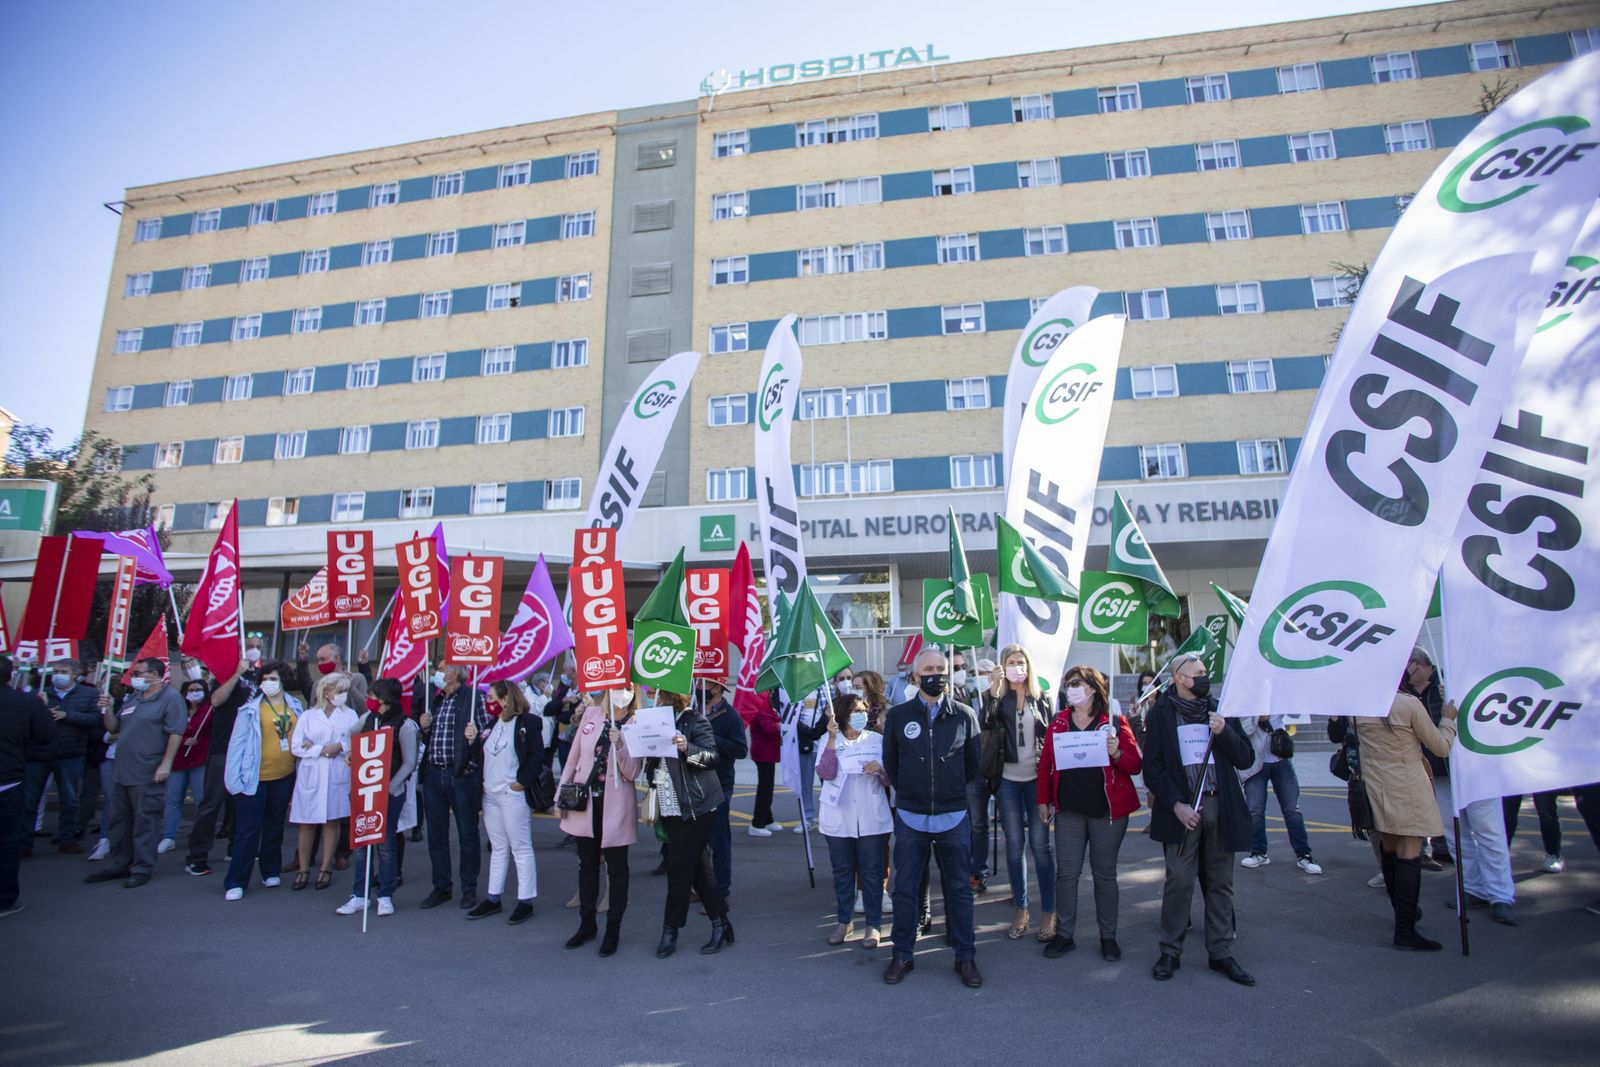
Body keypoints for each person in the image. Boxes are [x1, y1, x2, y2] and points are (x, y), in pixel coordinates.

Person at [1144, 651, 1256, 986]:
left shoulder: (1220, 709)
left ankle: (1220, 952)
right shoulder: (1162, 712)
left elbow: (1245, 757)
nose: (1203, 678)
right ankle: (1170, 951)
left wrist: (1224, 732)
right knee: (1179, 881)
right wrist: (1176, 804)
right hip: (1182, 812)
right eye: (1196, 674)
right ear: (1178, 678)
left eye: (1205, 672)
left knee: (1220, 883)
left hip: (1219, 805)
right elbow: (1152, 769)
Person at [882, 647, 984, 989]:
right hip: (911, 816)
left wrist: (950, 791)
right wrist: (911, 792)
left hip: (953, 815)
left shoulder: (964, 715)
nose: (937, 674)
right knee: (906, 889)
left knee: (959, 890)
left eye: (941, 668)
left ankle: (965, 957)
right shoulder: (898, 716)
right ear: (915, 675)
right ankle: (902, 955)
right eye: (929, 669)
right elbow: (891, 765)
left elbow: (973, 764)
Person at [1357, 650, 1461, 948]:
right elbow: (1441, 747)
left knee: (1390, 851)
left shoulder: (1360, 708)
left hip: (1377, 787)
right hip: (1408, 786)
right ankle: (1404, 930)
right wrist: (1448, 720)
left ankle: (1402, 913)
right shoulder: (1408, 704)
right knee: (1409, 853)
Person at [1037, 665, 1142, 962]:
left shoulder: (1113, 722)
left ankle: (1108, 936)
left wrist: (1118, 751)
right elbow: (1045, 765)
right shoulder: (1058, 722)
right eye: (1068, 684)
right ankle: (1065, 935)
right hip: (1069, 811)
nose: (1070, 689)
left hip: (1106, 813)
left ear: (1093, 689)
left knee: (1105, 876)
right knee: (1066, 874)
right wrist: (1043, 800)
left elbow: (1135, 765)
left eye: (1076, 684)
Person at [85, 657, 187, 889]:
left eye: (139, 673)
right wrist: (108, 709)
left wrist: (166, 764)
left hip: (147, 770)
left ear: (154, 674)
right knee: (119, 819)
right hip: (123, 770)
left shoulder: (170, 699)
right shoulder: (133, 697)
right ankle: (120, 862)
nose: (134, 677)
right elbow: (114, 728)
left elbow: (176, 733)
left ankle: (142, 866)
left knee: (145, 820)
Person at [977, 644, 1057, 941]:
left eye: (1021, 661)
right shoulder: (993, 696)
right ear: (1003, 666)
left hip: (1037, 780)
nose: (1017, 667)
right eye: (1011, 662)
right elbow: (986, 725)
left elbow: (1051, 738)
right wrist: (995, 692)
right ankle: (1021, 910)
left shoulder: (1042, 697)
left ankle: (1049, 913)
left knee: (1041, 848)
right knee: (1014, 848)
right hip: (1008, 780)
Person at [649, 689, 734, 958]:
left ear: (670, 696)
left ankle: (670, 930)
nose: (652, 694)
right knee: (698, 869)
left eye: (657, 692)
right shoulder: (651, 720)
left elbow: (712, 758)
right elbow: (650, 763)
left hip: (696, 806)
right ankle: (721, 924)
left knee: (678, 869)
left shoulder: (694, 720)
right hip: (670, 806)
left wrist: (688, 748)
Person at [561, 688, 642, 956]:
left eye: (628, 688)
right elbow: (574, 757)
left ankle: (613, 930)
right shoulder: (592, 715)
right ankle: (587, 924)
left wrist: (619, 745)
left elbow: (632, 772)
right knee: (587, 865)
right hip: (585, 803)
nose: (623, 693)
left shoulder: (636, 721)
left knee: (617, 870)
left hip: (616, 806)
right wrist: (561, 794)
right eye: (619, 687)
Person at [463, 679, 546, 924]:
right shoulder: (492, 724)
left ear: (505, 698)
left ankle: (525, 900)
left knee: (520, 847)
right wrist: (472, 741)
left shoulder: (527, 723)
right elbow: (482, 757)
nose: (488, 703)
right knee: (498, 848)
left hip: (512, 794)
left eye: (491, 698)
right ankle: (493, 897)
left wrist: (521, 782)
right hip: (491, 795)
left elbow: (537, 755)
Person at [336, 677, 419, 918]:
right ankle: (359, 895)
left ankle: (385, 894)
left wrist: (390, 788)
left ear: (383, 699)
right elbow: (349, 734)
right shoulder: (369, 719)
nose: (368, 700)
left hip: (390, 794)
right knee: (361, 844)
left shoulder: (404, 724)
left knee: (386, 845)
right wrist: (351, 753)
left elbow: (410, 762)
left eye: (372, 697)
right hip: (364, 792)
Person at [221, 660, 302, 900]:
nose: (268, 683)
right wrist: (233, 779)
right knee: (248, 830)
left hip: (284, 776)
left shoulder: (295, 706)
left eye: (273, 679)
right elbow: (236, 745)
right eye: (265, 679)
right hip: (254, 778)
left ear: (283, 681)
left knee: (275, 825)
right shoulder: (250, 709)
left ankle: (270, 870)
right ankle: (236, 880)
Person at [817, 691, 891, 947]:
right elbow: (825, 773)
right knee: (843, 871)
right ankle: (844, 921)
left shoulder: (877, 740)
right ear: (842, 714)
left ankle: (873, 925)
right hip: (839, 817)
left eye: (862, 711)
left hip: (872, 816)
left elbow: (891, 778)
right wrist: (830, 738)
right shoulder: (828, 740)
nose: (859, 716)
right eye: (853, 712)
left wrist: (880, 770)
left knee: (872, 871)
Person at [184, 639, 264, 875]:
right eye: (250, 644)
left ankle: (236, 848)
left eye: (258, 645)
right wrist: (236, 674)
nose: (255, 648)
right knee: (211, 804)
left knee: (241, 804)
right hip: (223, 749)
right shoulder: (225, 674)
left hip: (248, 751)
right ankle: (196, 855)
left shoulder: (260, 677)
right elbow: (216, 701)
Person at [418, 664, 491, 910]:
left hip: (460, 774)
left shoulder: (473, 698)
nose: (437, 672)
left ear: (454, 673)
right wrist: (425, 728)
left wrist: (475, 741)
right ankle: (441, 886)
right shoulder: (437, 700)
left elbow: (486, 735)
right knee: (436, 835)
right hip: (433, 773)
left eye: (441, 668)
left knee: (467, 834)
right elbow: (432, 739)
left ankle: (468, 888)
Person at [287, 672, 358, 891]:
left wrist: (339, 747)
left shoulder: (350, 715)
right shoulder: (309, 715)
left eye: (345, 691)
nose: (343, 695)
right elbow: (297, 746)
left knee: (332, 821)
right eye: (340, 691)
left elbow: (354, 740)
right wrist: (322, 749)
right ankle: (304, 868)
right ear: (327, 692)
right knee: (307, 822)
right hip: (312, 774)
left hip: (337, 772)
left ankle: (326, 867)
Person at [23, 657, 100, 857]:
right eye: (55, 671)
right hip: (38, 754)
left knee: (70, 799)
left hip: (70, 755)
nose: (57, 675)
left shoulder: (89, 694)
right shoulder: (39, 694)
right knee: (29, 800)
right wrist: (40, 708)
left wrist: (67, 715)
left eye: (62, 671)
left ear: (75, 674)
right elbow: (25, 721)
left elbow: (93, 719)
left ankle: (67, 838)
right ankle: (24, 842)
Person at [1, 657, 54, 917]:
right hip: (9, 782)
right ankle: (5, 899)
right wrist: (41, 709)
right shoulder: (27, 702)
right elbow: (45, 736)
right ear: (11, 676)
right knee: (7, 842)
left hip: (9, 780)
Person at [1239, 715, 1322, 874]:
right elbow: (1244, 730)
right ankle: (1258, 852)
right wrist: (1259, 718)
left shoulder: (1277, 693)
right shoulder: (1248, 698)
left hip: (1281, 760)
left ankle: (1304, 854)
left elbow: (1296, 713)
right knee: (1255, 810)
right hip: (1256, 762)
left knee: (1292, 809)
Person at [701, 679, 747, 901]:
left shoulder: (730, 716)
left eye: (703, 685)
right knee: (697, 842)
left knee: (719, 840)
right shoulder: (694, 710)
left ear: (717, 688)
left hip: (719, 784)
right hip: (695, 783)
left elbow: (740, 750)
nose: (697, 689)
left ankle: (721, 891)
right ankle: (700, 888)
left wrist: (712, 737)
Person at [160, 677, 213, 854]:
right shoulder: (178, 711)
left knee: (200, 801)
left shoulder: (209, 711)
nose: (194, 693)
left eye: (198, 690)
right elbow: (167, 732)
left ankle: (198, 835)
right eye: (191, 690)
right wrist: (183, 741)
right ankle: (168, 836)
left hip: (200, 761)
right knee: (173, 801)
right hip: (178, 761)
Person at [743, 690, 784, 835]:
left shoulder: (768, 705)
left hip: (768, 752)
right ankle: (757, 823)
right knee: (765, 789)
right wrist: (781, 724)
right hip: (763, 752)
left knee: (766, 787)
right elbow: (768, 728)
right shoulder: (761, 705)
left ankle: (767, 819)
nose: (773, 693)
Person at [793, 688, 829, 833]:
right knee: (805, 785)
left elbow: (830, 712)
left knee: (827, 785)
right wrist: (808, 732)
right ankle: (807, 818)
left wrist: (818, 731)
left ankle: (827, 818)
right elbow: (792, 717)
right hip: (804, 743)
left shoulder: (826, 689)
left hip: (825, 744)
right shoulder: (796, 690)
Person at [1503, 791, 1565, 873]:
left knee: (1546, 811)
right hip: (1514, 779)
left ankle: (1553, 855)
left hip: (1540, 779)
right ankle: (1501, 856)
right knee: (1507, 812)